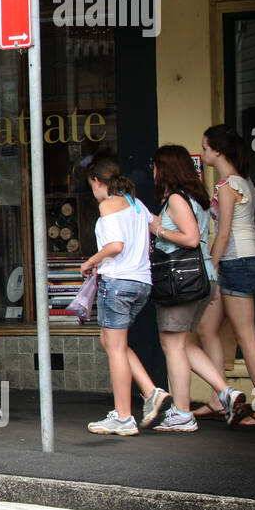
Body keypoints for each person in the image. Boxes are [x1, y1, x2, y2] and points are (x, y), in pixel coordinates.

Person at [147, 144, 249, 431]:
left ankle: (182, 413)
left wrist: (158, 229)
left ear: (165, 168)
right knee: (184, 344)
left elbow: (190, 238)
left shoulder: (177, 199)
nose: (153, 172)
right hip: (201, 277)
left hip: (181, 280)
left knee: (173, 346)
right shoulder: (196, 197)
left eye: (155, 166)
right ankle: (225, 392)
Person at [196, 124, 255, 425]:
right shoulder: (244, 182)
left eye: (205, 148)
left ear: (217, 151)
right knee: (207, 328)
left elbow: (224, 233)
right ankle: (219, 399)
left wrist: (210, 270)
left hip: (236, 262)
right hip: (245, 260)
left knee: (246, 338)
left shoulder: (227, 186)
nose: (203, 153)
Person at [81, 155, 168, 436]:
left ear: (97, 181)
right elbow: (158, 225)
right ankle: (151, 392)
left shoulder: (108, 205)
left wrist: (91, 261)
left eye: (91, 185)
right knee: (110, 340)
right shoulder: (136, 204)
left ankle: (123, 416)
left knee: (115, 347)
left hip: (118, 282)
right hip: (142, 283)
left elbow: (115, 245)